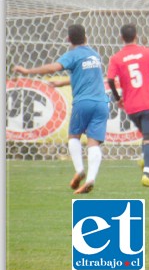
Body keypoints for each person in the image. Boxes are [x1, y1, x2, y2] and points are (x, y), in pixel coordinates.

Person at [13, 24, 109, 194]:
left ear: (68, 39)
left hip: (83, 102)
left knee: (74, 136)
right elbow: (88, 78)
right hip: (102, 103)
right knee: (94, 142)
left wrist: (28, 71)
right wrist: (62, 83)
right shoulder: (94, 55)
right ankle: (91, 178)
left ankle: (79, 169)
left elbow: (53, 68)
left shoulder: (72, 55)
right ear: (86, 37)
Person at [107, 23, 149, 188]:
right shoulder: (147, 52)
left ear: (121, 38)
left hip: (131, 107)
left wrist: (117, 97)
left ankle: (143, 158)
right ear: (136, 35)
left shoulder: (116, 58)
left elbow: (110, 79)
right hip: (148, 104)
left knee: (145, 135)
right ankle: (146, 174)